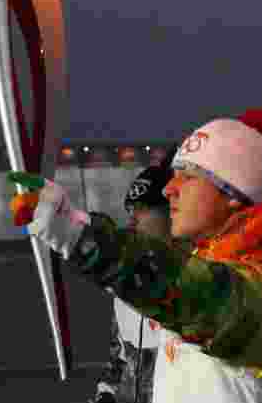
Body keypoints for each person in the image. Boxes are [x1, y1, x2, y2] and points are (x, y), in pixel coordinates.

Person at [11, 107, 262, 403]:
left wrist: (80, 235)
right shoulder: (212, 272)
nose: (169, 189)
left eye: (188, 175)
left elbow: (197, 296)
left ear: (233, 194)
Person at [92, 155, 174, 403]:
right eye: (130, 210)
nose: (132, 218)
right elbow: (118, 356)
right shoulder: (126, 282)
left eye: (143, 208)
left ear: (172, 209)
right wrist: (105, 395)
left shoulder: (201, 279)